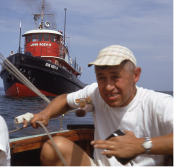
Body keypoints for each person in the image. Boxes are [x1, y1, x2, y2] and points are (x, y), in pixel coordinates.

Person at [25, 45, 174, 167]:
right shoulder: (95, 93)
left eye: (116, 76)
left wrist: (142, 145)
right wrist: (46, 114)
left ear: (135, 75)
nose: (108, 87)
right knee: (53, 148)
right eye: (101, 77)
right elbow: (65, 100)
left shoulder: (160, 104)